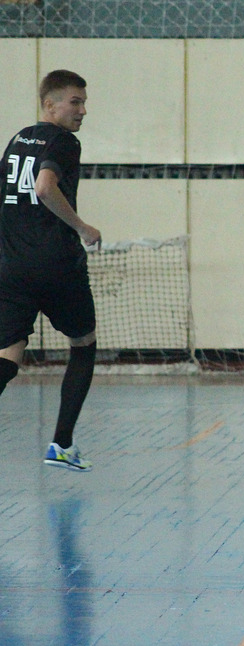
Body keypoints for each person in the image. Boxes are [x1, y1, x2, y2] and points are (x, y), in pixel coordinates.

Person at [0, 69, 102, 471]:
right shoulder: (64, 141)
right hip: (57, 265)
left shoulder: (18, 140)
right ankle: (62, 444)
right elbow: (44, 187)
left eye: (84, 103)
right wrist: (82, 227)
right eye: (75, 102)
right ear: (50, 104)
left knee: (9, 354)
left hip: (12, 266)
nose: (82, 111)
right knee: (84, 344)